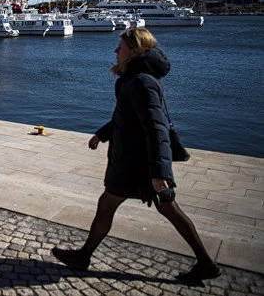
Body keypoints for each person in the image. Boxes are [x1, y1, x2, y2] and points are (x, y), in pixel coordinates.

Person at [51, 28, 220, 283]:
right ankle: (206, 263)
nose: (116, 51)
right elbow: (126, 117)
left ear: (135, 50)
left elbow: (156, 128)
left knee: (109, 205)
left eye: (121, 47)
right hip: (138, 162)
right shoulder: (134, 79)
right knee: (168, 209)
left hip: (136, 164)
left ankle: (84, 256)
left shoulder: (141, 81)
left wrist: (160, 173)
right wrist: (102, 134)